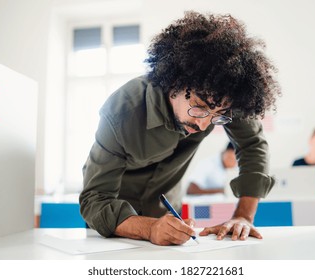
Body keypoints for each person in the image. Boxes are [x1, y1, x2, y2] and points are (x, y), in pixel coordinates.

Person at [79, 11, 281, 246]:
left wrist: (244, 216)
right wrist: (149, 228)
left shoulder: (223, 95)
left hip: (168, 215)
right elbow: (95, 200)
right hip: (116, 224)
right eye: (199, 107)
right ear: (173, 83)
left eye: (218, 115)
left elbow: (252, 144)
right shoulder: (122, 111)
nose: (205, 124)